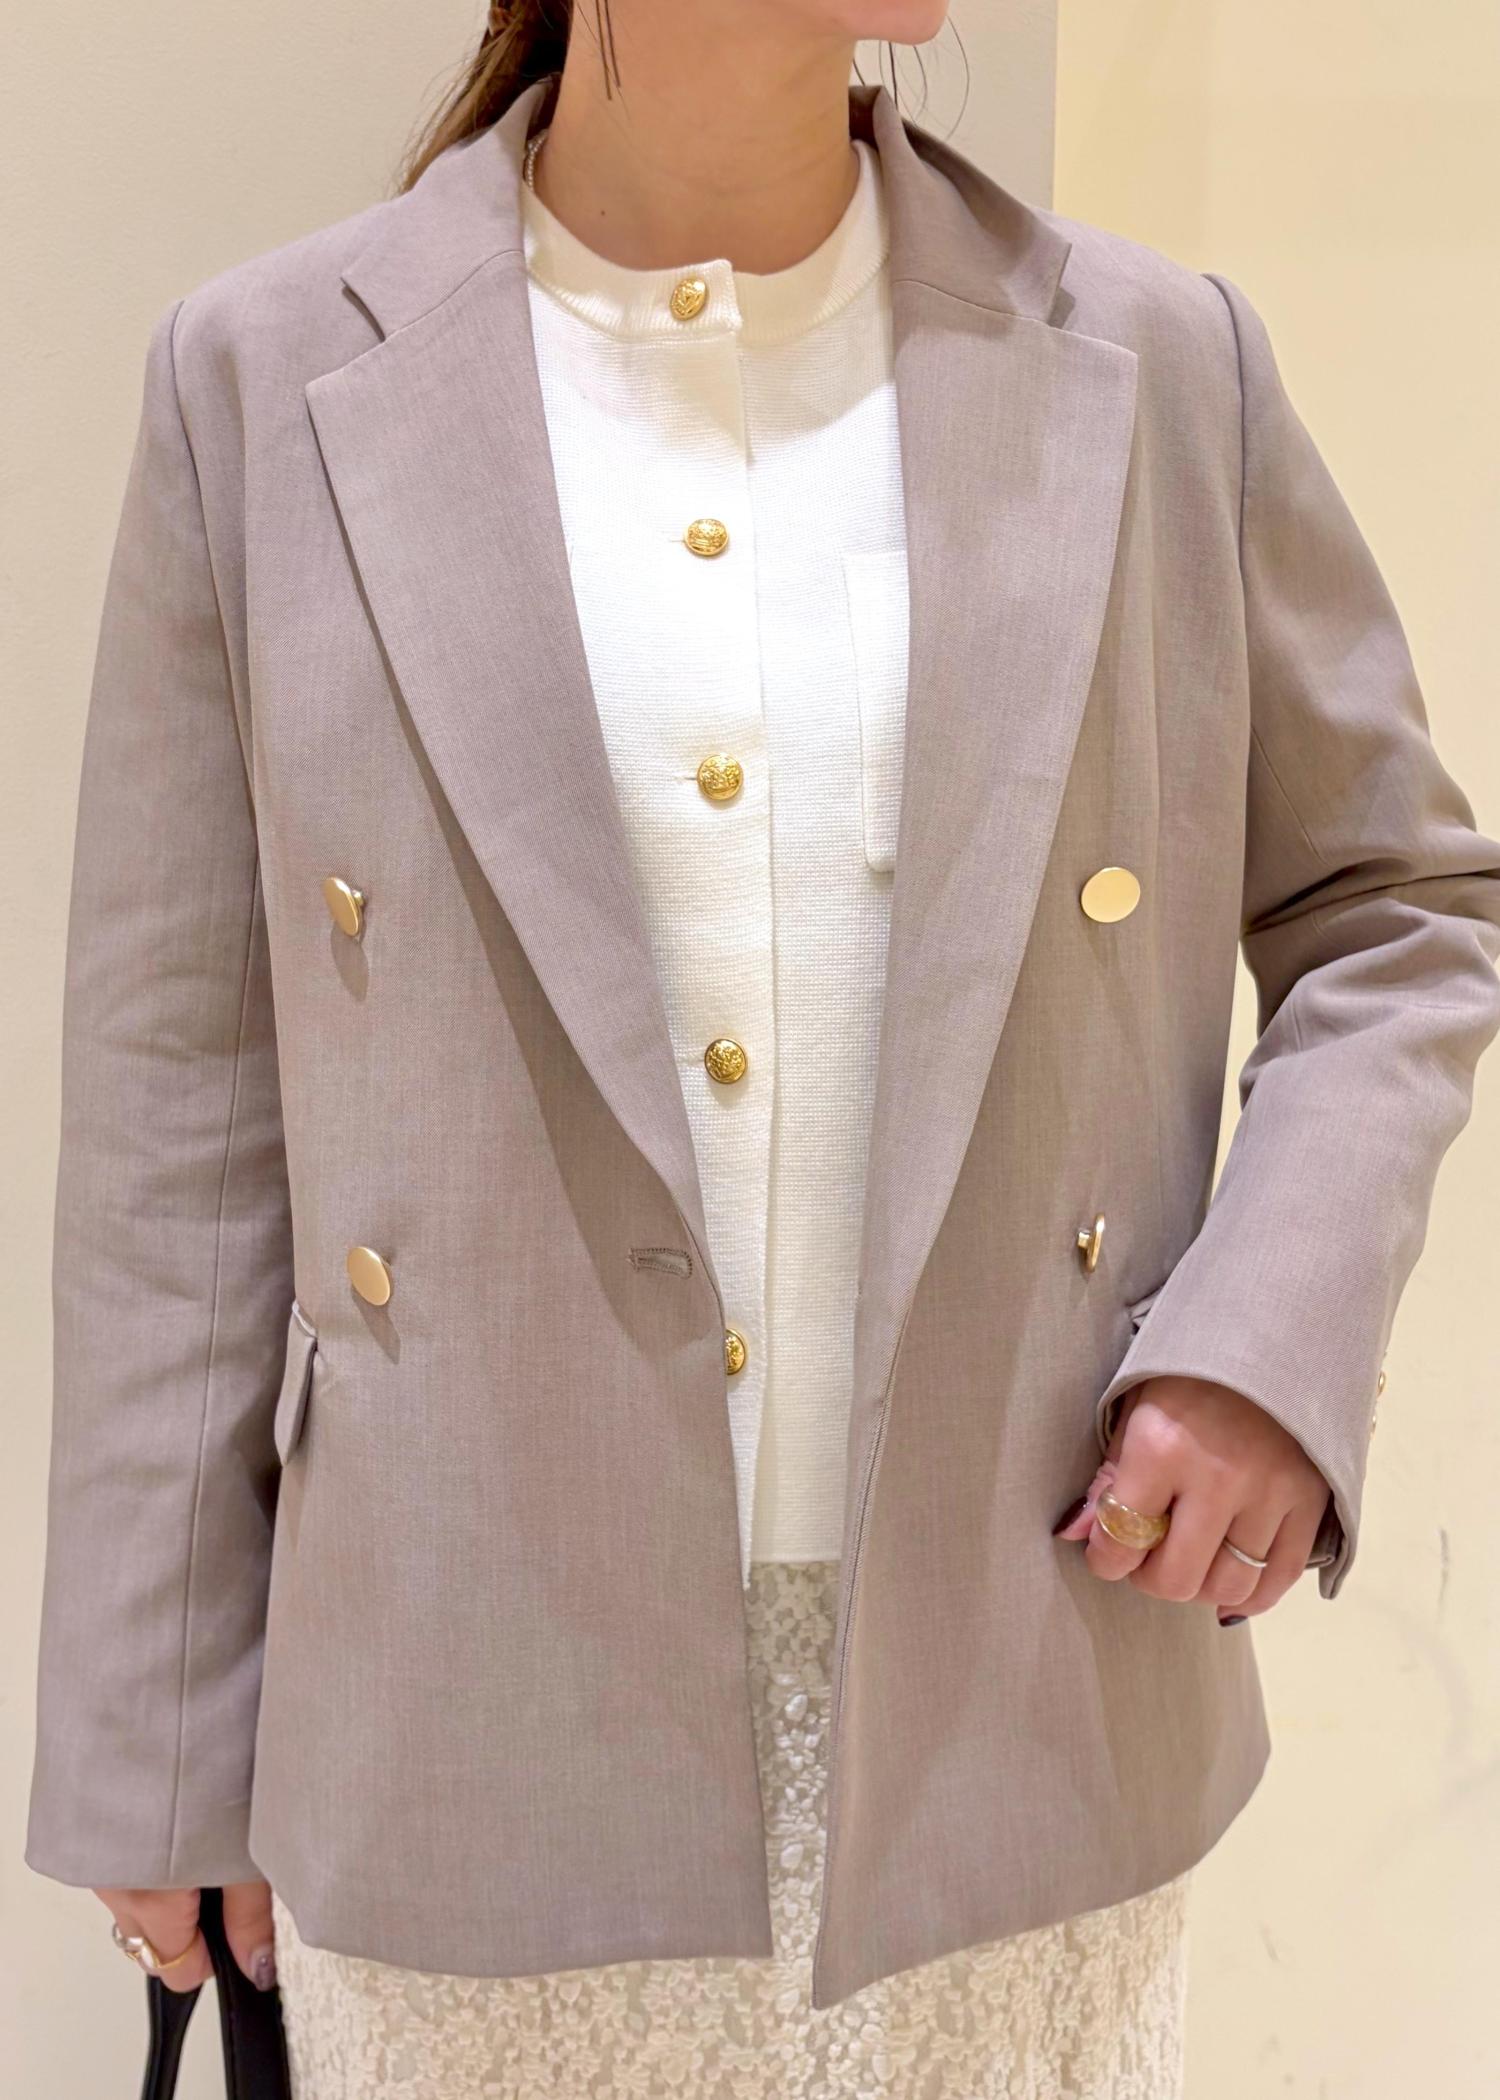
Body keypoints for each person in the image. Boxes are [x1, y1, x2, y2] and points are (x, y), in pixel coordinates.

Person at [28, 4, 1500, 2096]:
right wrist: (158, 1731)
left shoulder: (1164, 363)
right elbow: (179, 1104)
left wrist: (1263, 1347)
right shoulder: (260, 383)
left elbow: (1397, 908)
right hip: (466, 1752)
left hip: (1022, 1727)